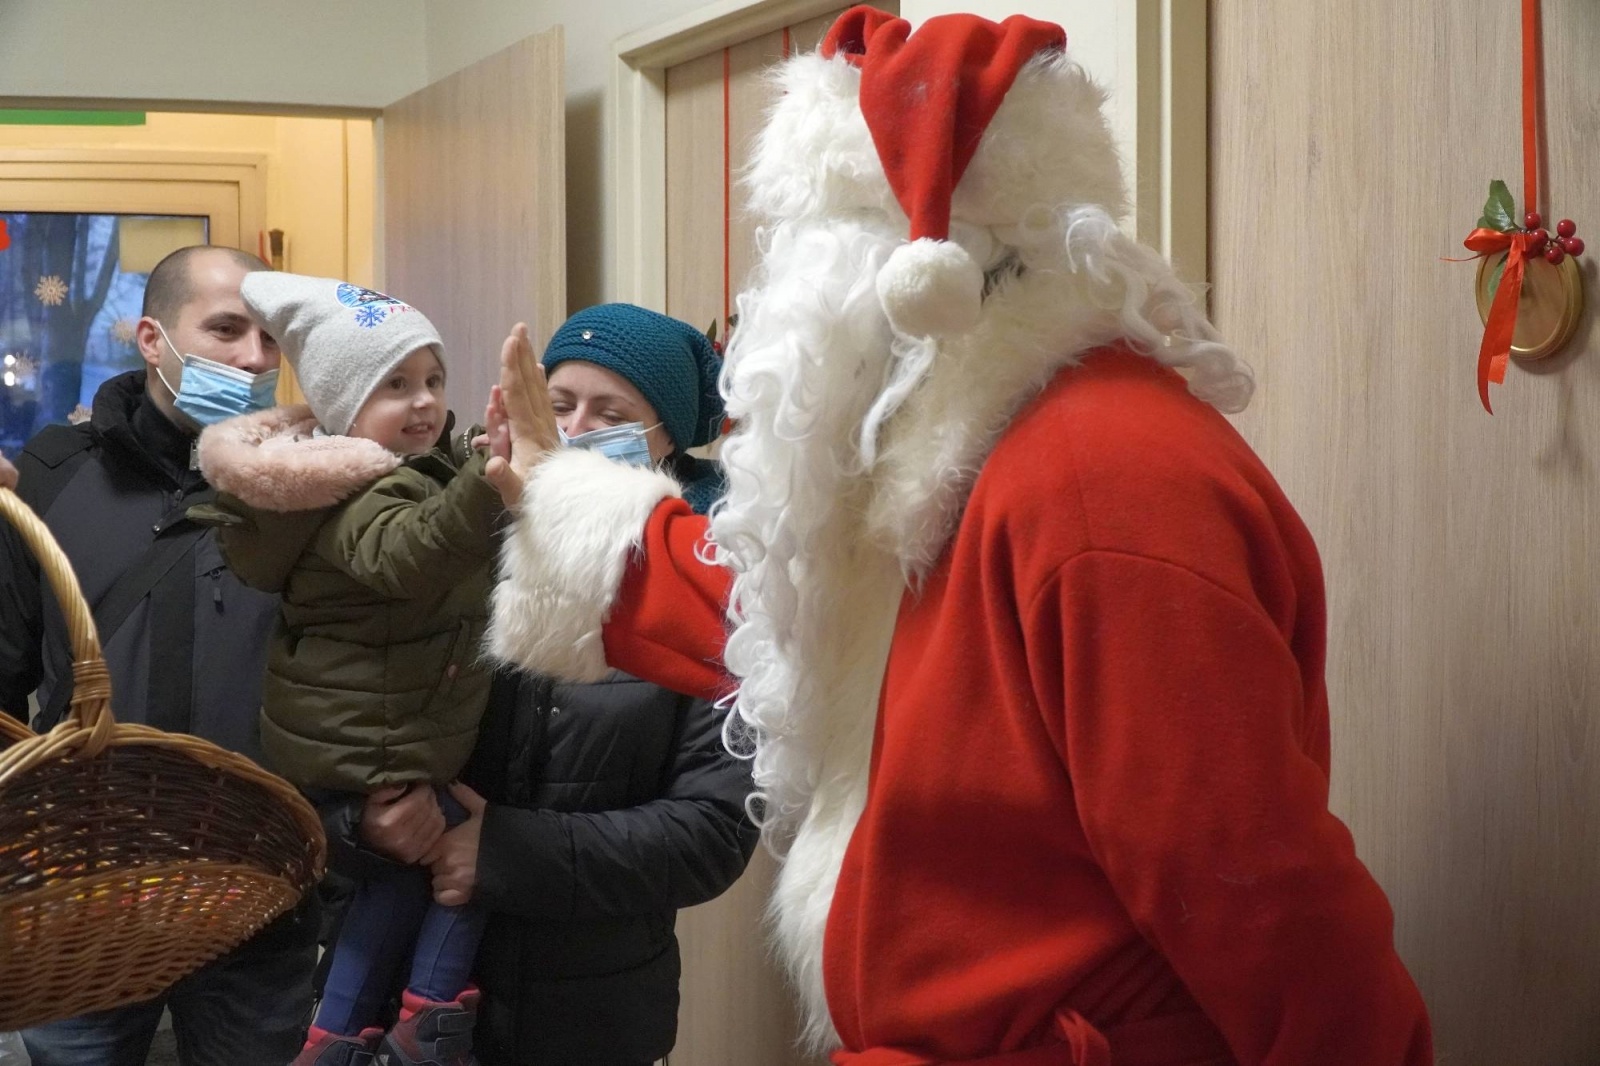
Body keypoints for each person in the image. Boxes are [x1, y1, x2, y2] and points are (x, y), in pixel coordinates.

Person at [481, 9, 1434, 1066]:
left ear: (913, 271)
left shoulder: (1101, 480)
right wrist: (558, 496)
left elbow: (1256, 891)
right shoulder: (947, 448)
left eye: (799, 250)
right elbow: (786, 619)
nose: (768, 306)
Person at [350, 303, 756, 1066]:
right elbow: (334, 716)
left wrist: (503, 853)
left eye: (612, 413)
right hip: (404, 985)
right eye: (559, 405)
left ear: (666, 439)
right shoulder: (449, 546)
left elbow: (714, 833)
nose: (573, 431)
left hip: (591, 1015)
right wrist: (361, 823)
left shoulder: (705, 595)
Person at [0, 246, 320, 1065]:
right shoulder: (52, 477)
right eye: (225, 329)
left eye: (270, 337)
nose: (254, 358)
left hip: (261, 897)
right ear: (151, 338)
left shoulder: (313, 487)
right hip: (84, 896)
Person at [195, 273, 502, 1066]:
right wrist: (490, 481)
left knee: (395, 882)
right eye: (395, 384)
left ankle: (337, 1031)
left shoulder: (369, 476)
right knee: (466, 860)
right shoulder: (360, 491)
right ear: (343, 406)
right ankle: (432, 1009)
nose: (426, 400)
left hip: (367, 725)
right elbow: (413, 554)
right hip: (376, 731)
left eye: (433, 378)